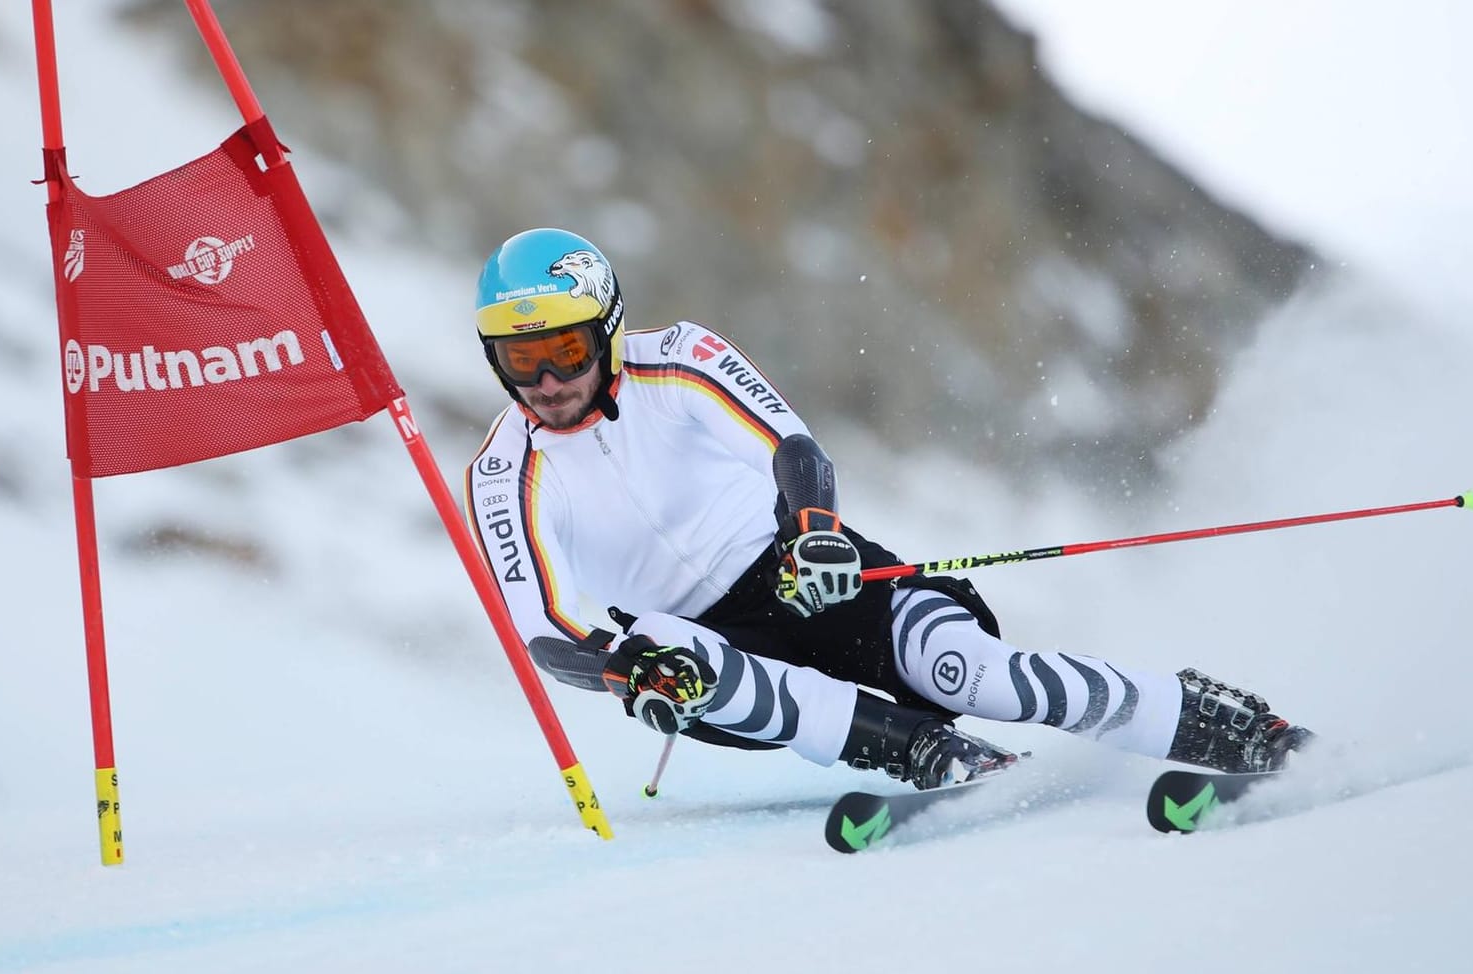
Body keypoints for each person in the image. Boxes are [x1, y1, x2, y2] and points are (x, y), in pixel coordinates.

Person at [465, 227, 1311, 790]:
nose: (546, 383)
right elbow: (539, 626)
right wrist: (616, 670)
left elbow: (791, 448)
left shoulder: (676, 359)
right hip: (720, 652)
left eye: (564, 351)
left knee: (981, 677)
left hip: (807, 579)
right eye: (519, 361)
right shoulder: (507, 471)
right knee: (662, 650)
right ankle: (924, 754)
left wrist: (814, 533)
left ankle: (1223, 725)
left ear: (607, 329)